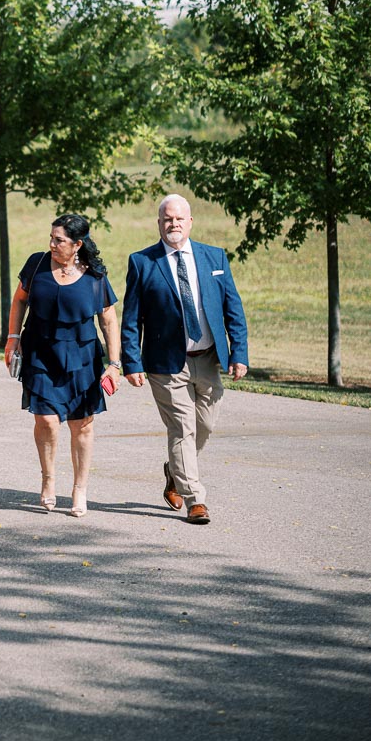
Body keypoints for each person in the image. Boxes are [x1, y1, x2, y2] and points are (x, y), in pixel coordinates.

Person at [121, 193, 249, 525]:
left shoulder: (214, 257)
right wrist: (131, 362)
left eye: (179, 219)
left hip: (207, 358)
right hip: (166, 363)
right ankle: (196, 500)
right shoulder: (142, 262)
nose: (173, 224)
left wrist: (239, 353)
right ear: (159, 224)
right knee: (182, 427)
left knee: (204, 425)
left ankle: (174, 472)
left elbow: (232, 309)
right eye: (167, 219)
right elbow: (132, 318)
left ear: (190, 222)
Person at [4, 214, 121, 519]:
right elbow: (19, 301)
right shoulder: (37, 264)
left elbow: (108, 319)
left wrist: (115, 363)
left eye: (60, 240)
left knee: (81, 424)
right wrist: (13, 338)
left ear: (77, 244)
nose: (52, 244)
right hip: (41, 353)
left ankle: (80, 488)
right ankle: (48, 479)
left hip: (82, 356)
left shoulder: (95, 275)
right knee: (45, 420)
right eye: (51, 238)